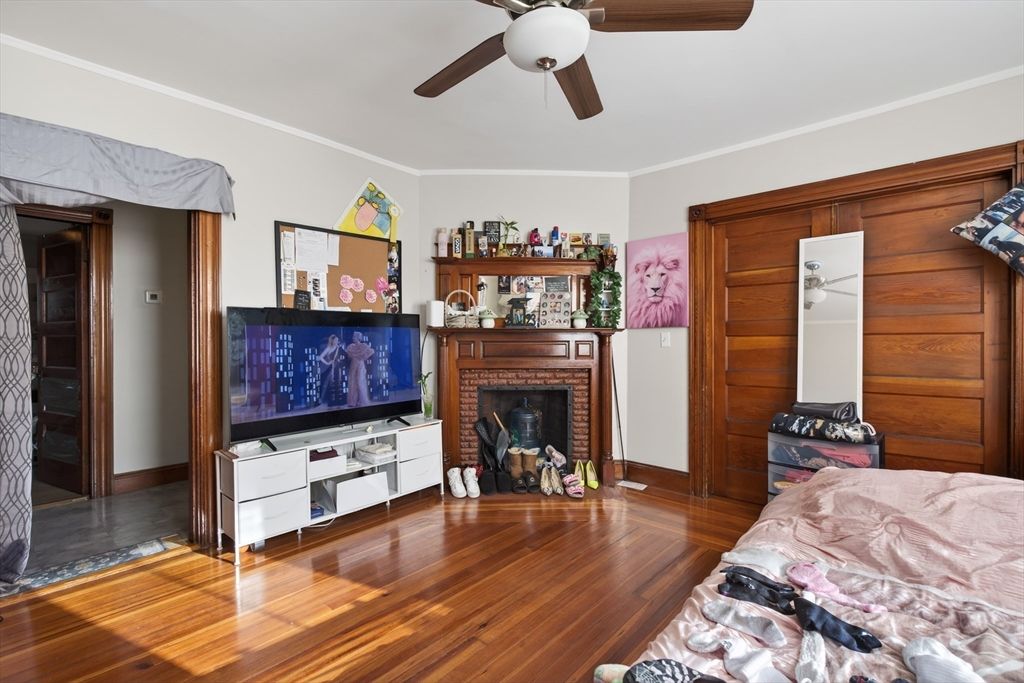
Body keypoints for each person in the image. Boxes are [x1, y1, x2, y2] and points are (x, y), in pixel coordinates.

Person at [345, 331, 375, 407]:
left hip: (360, 365)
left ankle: (362, 401)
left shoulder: (363, 346)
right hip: (353, 365)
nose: (353, 338)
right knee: (353, 383)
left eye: (354, 337)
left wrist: (362, 358)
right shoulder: (350, 347)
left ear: (358, 338)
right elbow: (348, 356)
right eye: (353, 337)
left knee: (360, 382)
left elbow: (371, 352)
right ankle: (352, 402)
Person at [318, 334, 343, 405]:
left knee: (338, 383)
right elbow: (320, 357)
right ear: (332, 341)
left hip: (338, 367)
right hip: (331, 367)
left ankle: (337, 400)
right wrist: (327, 363)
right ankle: (323, 400)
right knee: (326, 384)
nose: (337, 341)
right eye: (336, 340)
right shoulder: (328, 348)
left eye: (337, 340)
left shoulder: (338, 348)